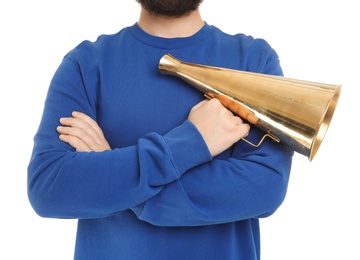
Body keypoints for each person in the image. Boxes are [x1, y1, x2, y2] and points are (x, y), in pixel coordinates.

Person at [27, 1, 294, 259]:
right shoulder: (85, 65)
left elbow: (265, 187)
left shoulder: (254, 61)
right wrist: (193, 140)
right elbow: (49, 187)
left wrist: (126, 185)